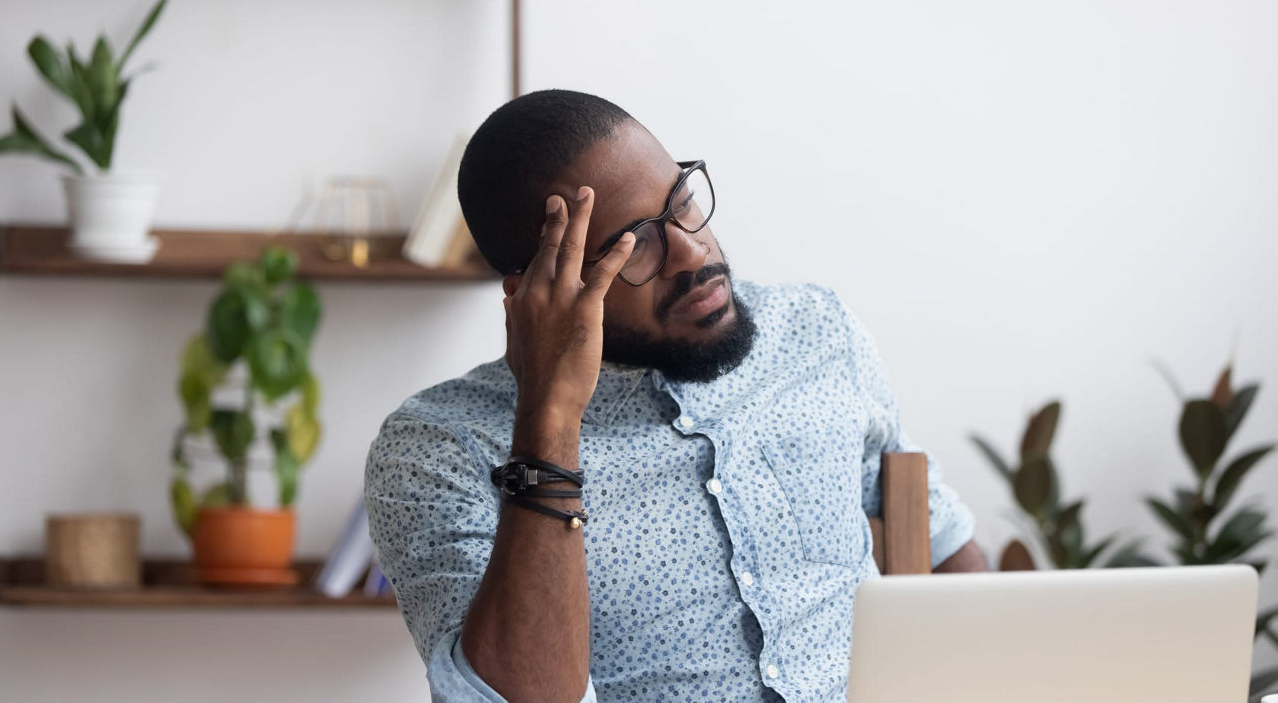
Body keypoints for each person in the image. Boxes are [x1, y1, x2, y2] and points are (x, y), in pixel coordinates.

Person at [364, 89, 988, 703]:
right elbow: (520, 697)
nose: (693, 253)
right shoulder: (439, 446)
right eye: (634, 246)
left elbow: (937, 543)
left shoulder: (816, 331)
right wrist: (550, 418)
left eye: (683, 203)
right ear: (536, 292)